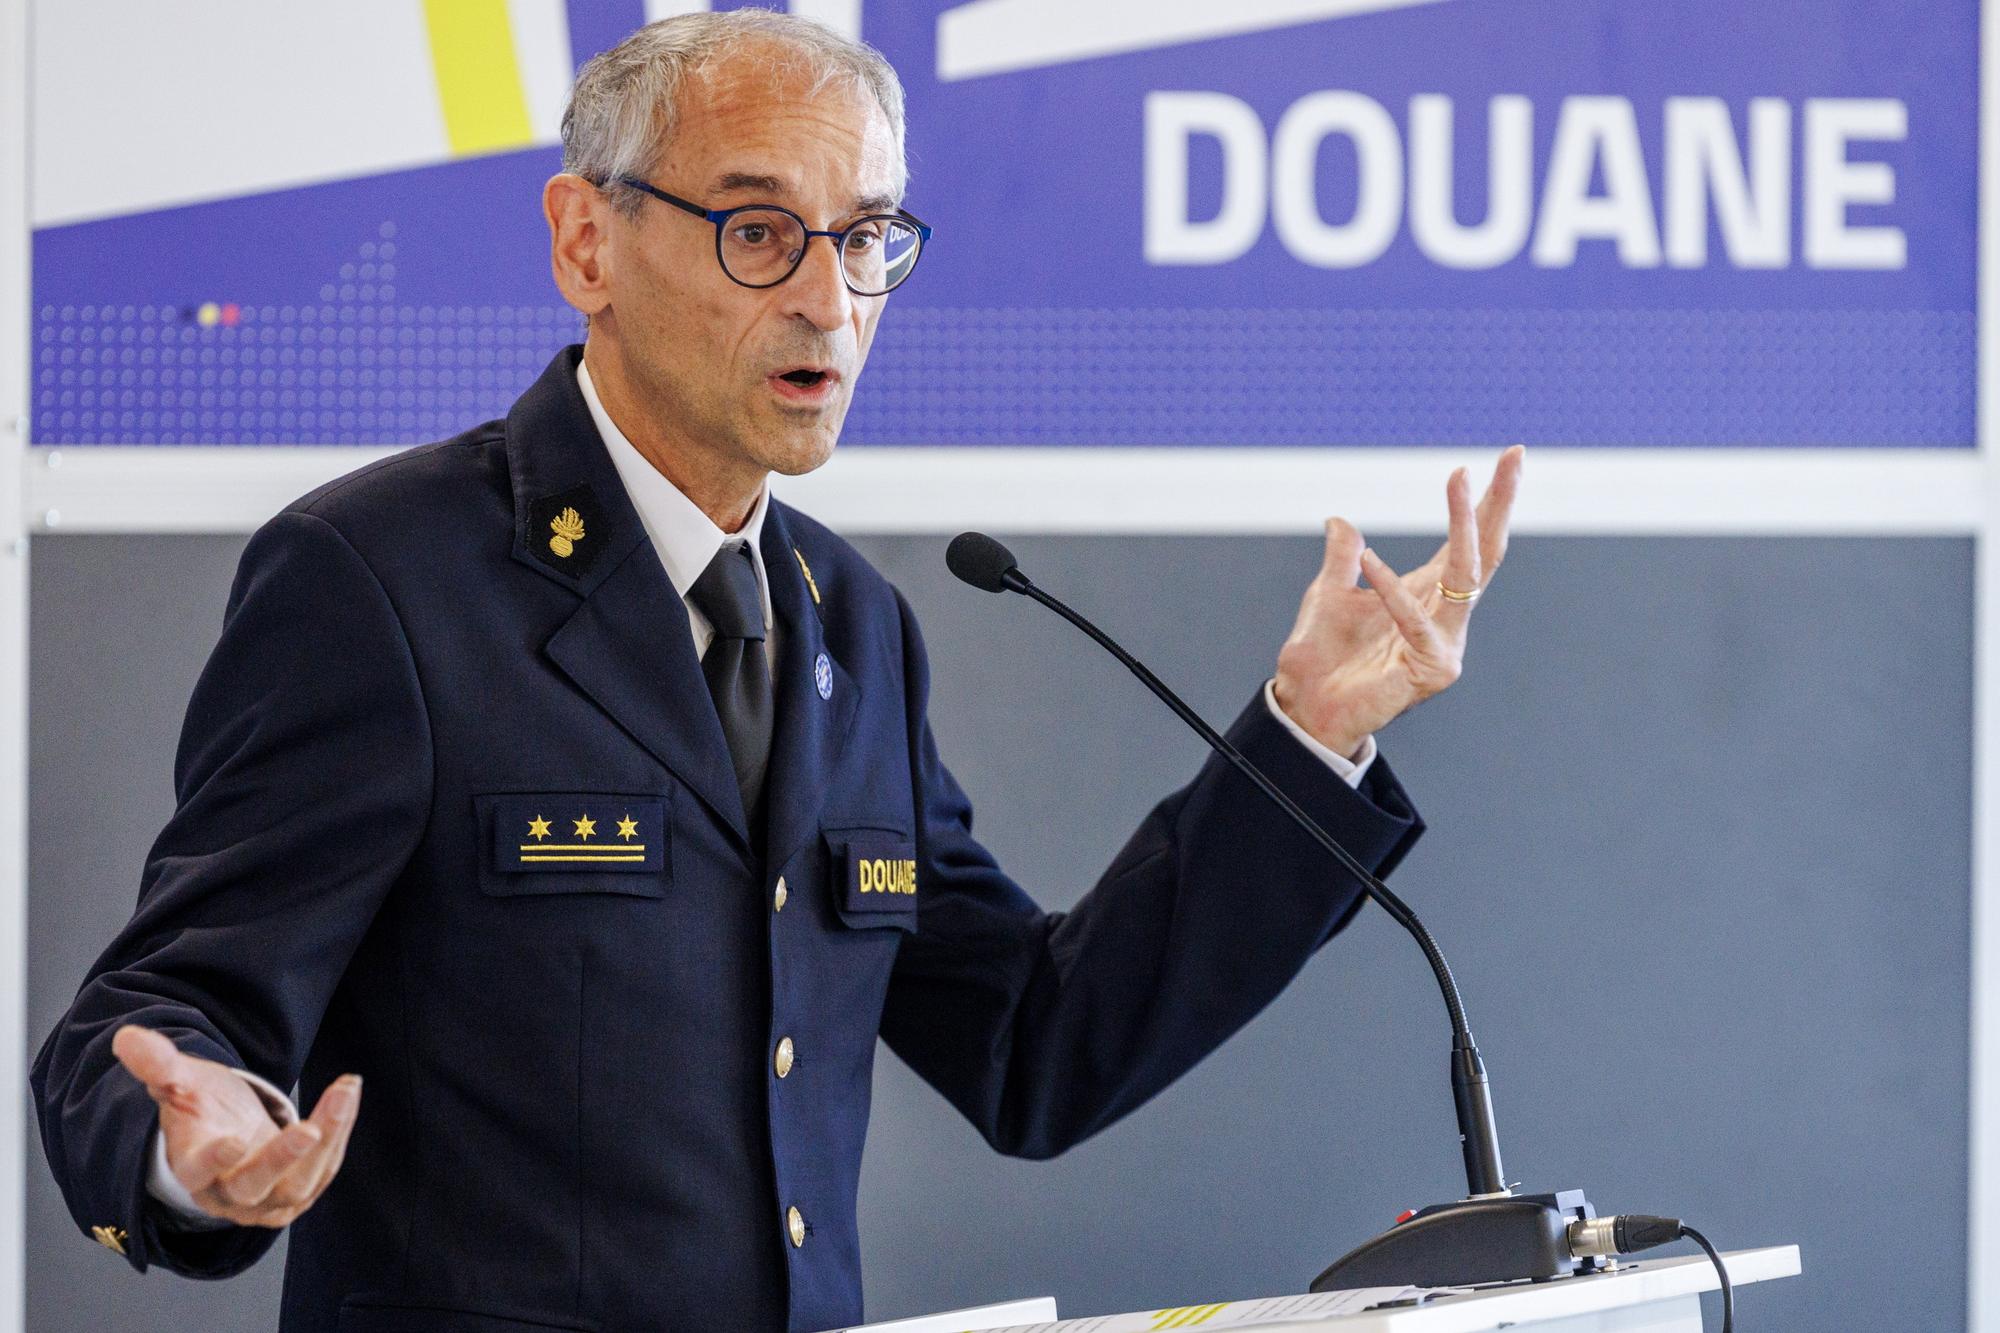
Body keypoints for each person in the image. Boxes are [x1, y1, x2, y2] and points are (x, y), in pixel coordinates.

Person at [32, 11, 1524, 1332]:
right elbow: (165, 1010)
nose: (829, 299)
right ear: (585, 243)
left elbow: (1033, 1045)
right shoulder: (381, 581)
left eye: (867, 235)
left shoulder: (851, 623)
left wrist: (1307, 734)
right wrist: (189, 1150)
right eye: (759, 232)